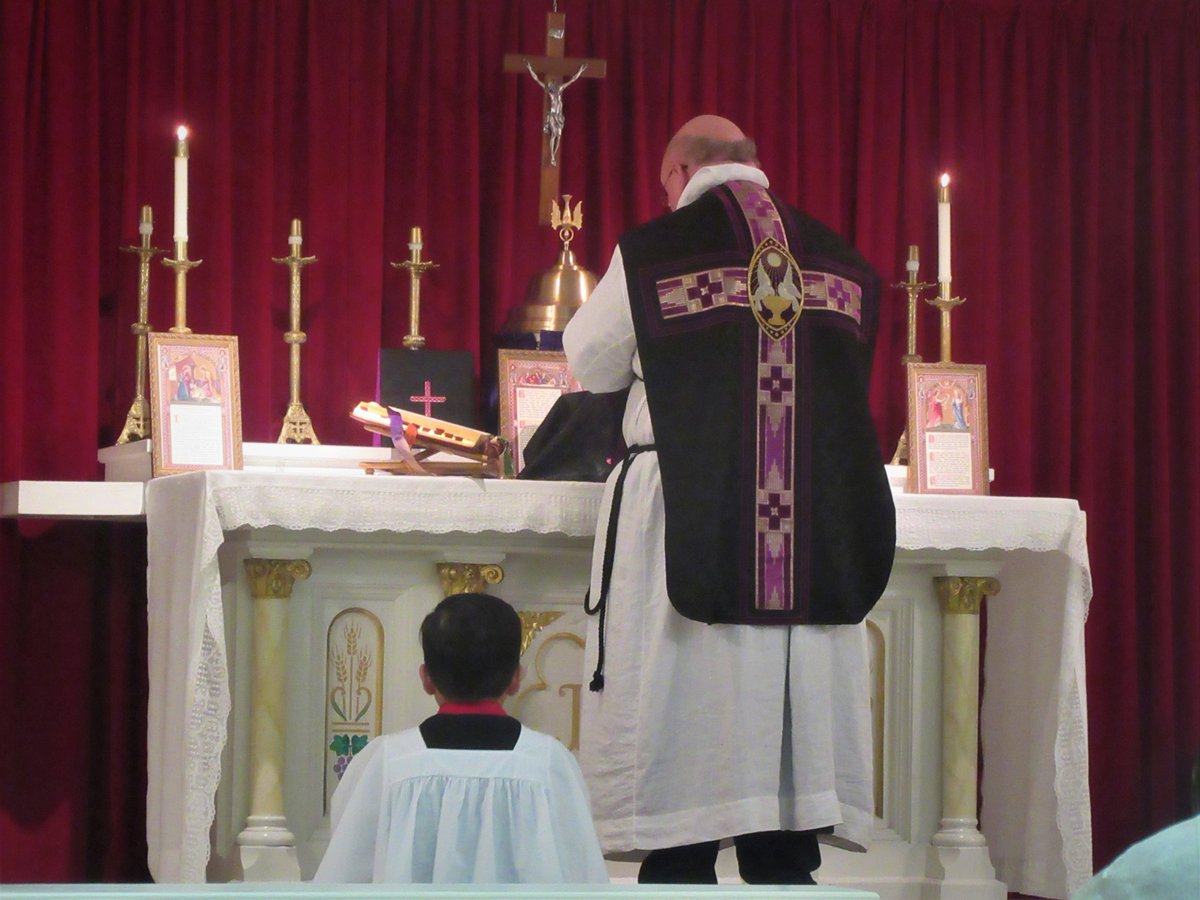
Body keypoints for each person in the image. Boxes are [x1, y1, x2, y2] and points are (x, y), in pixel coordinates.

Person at [562, 115, 896, 884]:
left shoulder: (655, 252)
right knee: (781, 824)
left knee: (688, 754)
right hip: (810, 523)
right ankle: (782, 855)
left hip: (688, 511)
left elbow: (591, 360)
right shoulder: (837, 260)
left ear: (679, 173)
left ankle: (681, 860)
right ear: (752, 164)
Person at [313, 592, 609, 884]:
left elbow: (344, 876)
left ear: (426, 679)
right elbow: (583, 875)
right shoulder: (549, 763)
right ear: (516, 679)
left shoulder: (387, 762)